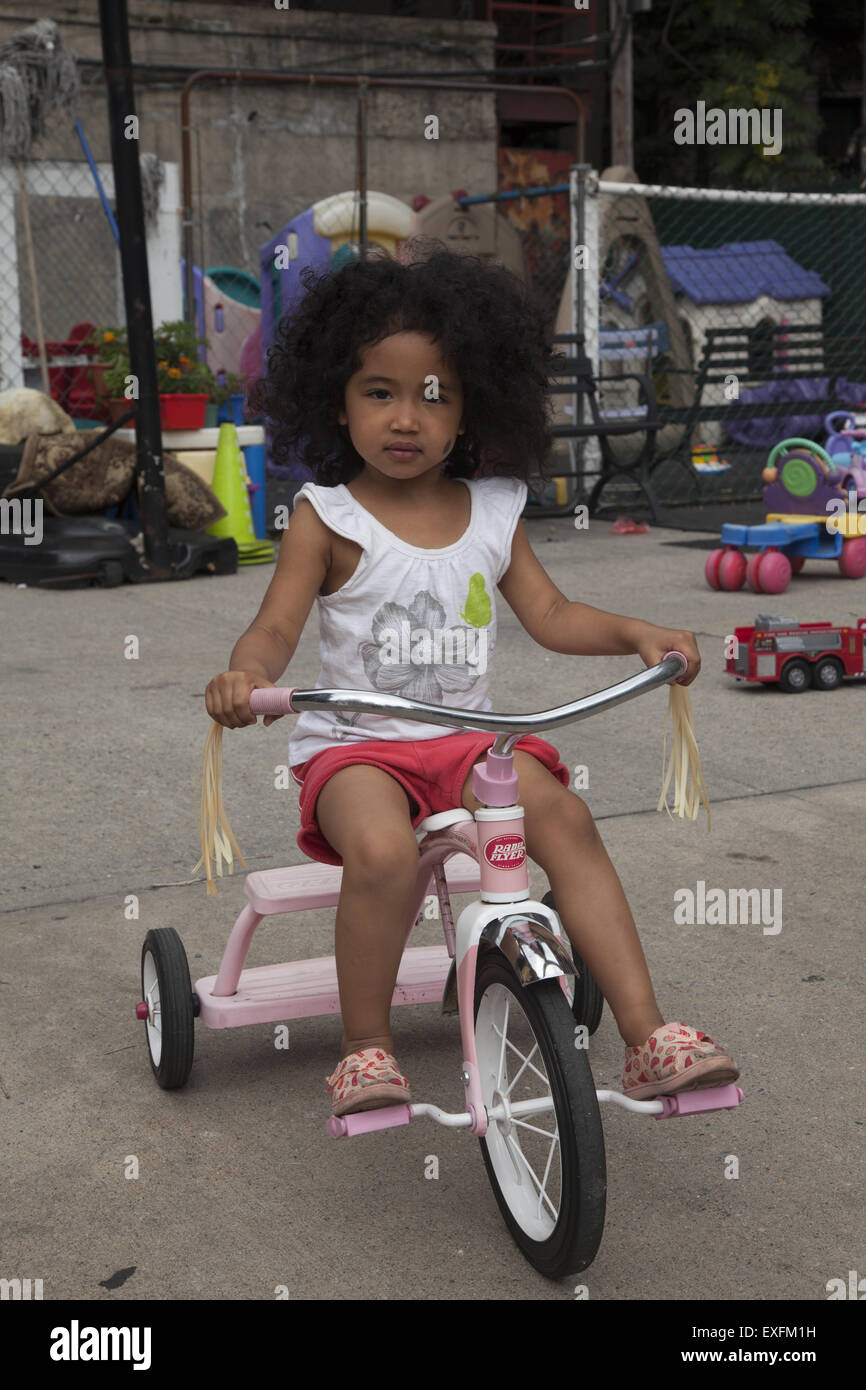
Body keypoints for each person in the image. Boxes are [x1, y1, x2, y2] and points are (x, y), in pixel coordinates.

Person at [206, 243, 739, 1118]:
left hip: (468, 746)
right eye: (380, 392)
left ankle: (648, 1035)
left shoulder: (493, 510)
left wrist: (636, 634)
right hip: (360, 749)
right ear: (337, 404)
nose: (406, 418)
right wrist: (246, 675)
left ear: (469, 409)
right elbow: (276, 626)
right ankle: (365, 1049)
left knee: (563, 813)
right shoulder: (326, 517)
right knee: (380, 852)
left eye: (434, 395)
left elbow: (554, 614)